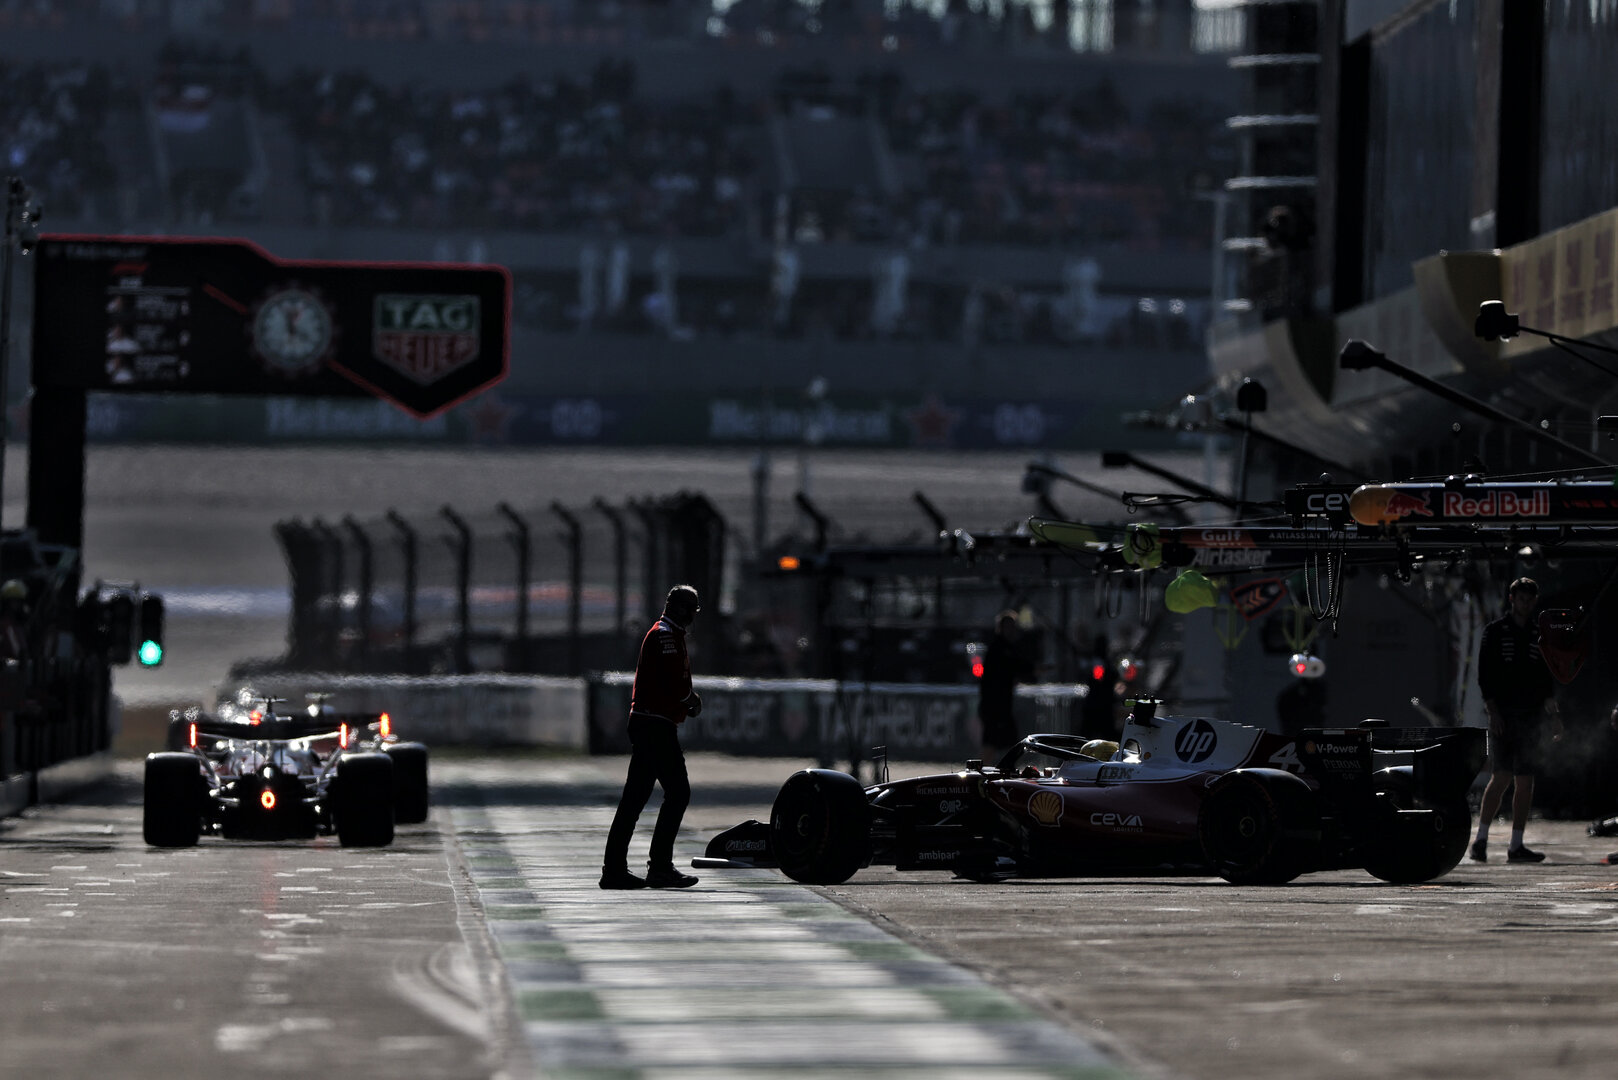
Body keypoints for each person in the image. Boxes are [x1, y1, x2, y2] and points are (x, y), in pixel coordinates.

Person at [600, 585, 704, 890]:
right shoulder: (664, 635)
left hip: (652, 723)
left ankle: (614, 869)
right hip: (654, 724)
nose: (692, 618)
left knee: (634, 799)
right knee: (678, 792)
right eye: (691, 610)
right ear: (681, 609)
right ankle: (659, 866)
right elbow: (675, 684)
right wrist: (692, 701)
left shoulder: (668, 633)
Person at [1471, 577, 1563, 863]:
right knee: (1500, 777)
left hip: (1532, 717)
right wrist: (1493, 711)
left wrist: (1555, 717)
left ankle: (1516, 846)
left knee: (1525, 781)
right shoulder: (1495, 632)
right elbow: (1484, 675)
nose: (1525, 603)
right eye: (1521, 598)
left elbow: (1546, 681)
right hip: (1504, 716)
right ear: (1512, 599)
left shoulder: (1540, 634)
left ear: (1534, 600)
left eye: (1529, 598)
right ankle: (1481, 840)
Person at [978, 610, 1034, 765]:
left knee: (1009, 742)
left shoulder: (1009, 648)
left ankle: (1008, 771)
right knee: (991, 742)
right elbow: (1013, 667)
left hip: (1003, 705)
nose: (1011, 630)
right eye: (1007, 627)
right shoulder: (998, 649)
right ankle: (979, 773)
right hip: (993, 705)